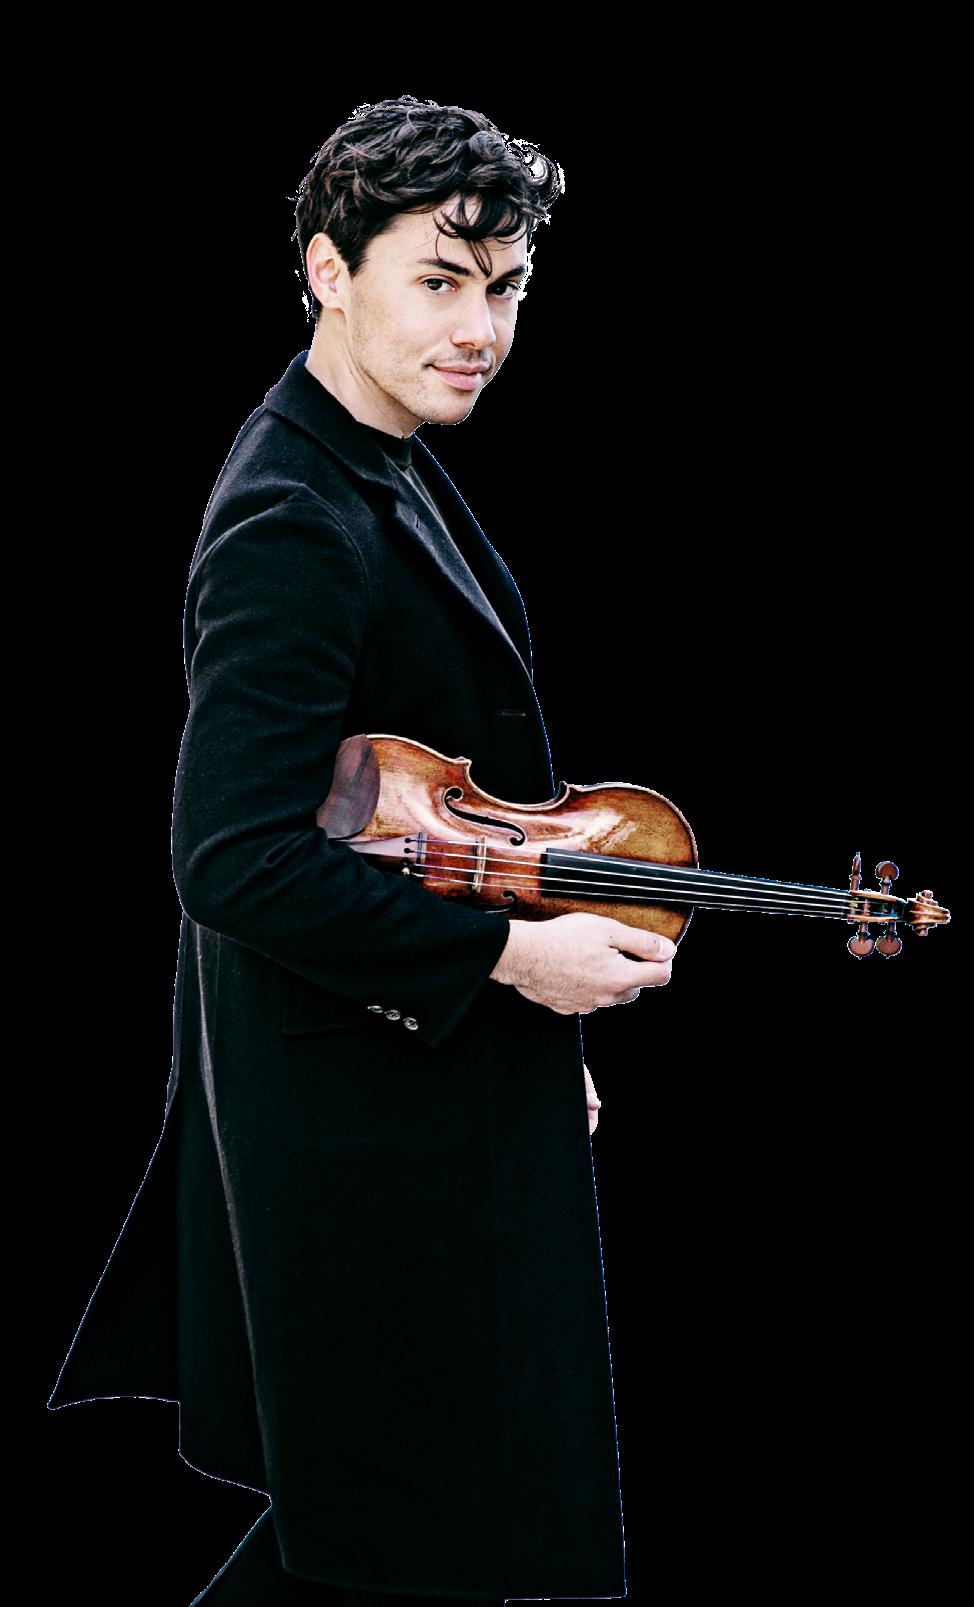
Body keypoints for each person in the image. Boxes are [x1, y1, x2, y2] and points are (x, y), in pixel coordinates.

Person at [47, 95, 676, 1605]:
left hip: (418, 1075)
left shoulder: (378, 454)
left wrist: (530, 1034)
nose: (480, 330)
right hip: (354, 1125)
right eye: (438, 280)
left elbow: (421, 827)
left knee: (409, 1523)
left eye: (505, 287)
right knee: (395, 1526)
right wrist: (511, 960)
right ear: (328, 271)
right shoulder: (291, 514)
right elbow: (233, 858)